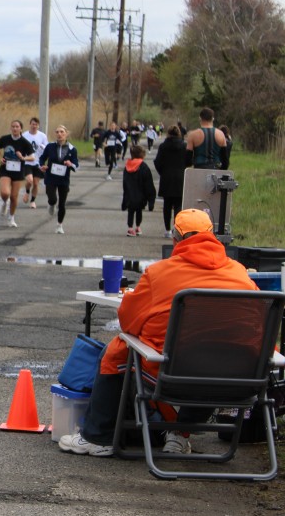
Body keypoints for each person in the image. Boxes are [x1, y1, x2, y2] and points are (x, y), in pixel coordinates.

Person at [59, 209, 259, 457]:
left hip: (173, 377)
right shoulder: (240, 273)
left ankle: (97, 437)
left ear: (175, 239)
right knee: (212, 364)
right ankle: (179, 434)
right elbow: (257, 330)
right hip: (240, 380)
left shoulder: (159, 273)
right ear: (213, 237)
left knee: (116, 350)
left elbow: (128, 322)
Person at [39, 125, 79, 234]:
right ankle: (51, 204)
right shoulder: (50, 146)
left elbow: (76, 165)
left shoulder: (72, 149)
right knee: (52, 199)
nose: (59, 134)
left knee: (62, 204)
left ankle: (59, 225)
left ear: (66, 134)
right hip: (51, 177)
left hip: (63, 179)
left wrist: (71, 164)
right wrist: (42, 165)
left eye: (61, 132)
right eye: (57, 132)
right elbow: (42, 158)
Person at [0, 120, 36, 228]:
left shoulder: (24, 142)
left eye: (17, 126)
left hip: (18, 171)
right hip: (5, 169)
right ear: (10, 128)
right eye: (13, 126)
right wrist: (0, 158)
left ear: (21, 129)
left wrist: (23, 158)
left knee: (14, 196)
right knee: (5, 193)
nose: (15, 128)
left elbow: (32, 157)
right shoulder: (5, 139)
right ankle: (5, 202)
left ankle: (11, 218)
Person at [153, 126, 188, 239]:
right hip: (180, 177)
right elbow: (189, 161)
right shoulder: (184, 146)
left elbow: (157, 162)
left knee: (167, 205)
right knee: (178, 205)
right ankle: (176, 228)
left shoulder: (163, 146)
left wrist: (162, 172)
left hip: (166, 177)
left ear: (168, 133)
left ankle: (167, 230)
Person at [121, 145, 156, 237]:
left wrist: (125, 195)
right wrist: (150, 198)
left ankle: (130, 228)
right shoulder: (144, 166)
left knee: (130, 211)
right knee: (139, 211)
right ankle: (138, 226)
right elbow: (148, 183)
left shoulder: (127, 166)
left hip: (130, 194)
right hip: (141, 195)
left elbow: (125, 182)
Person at [21, 117, 49, 208]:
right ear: (30, 124)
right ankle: (27, 192)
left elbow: (47, 148)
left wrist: (43, 147)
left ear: (38, 126)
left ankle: (32, 201)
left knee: (36, 183)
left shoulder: (42, 136)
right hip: (27, 162)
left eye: (36, 125)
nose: (34, 126)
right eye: (33, 124)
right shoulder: (24, 135)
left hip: (38, 162)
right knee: (30, 181)